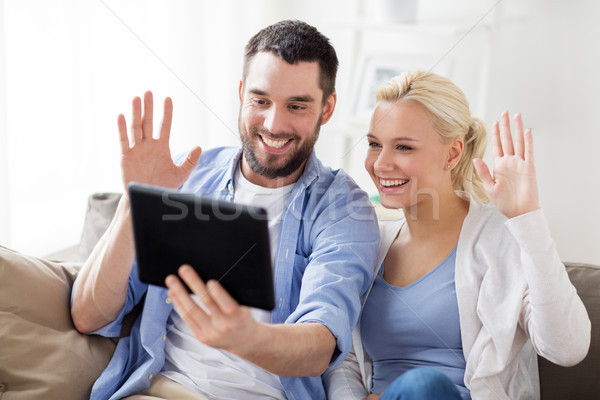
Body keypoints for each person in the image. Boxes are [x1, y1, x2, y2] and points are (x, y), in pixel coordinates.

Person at [70, 20, 380, 400]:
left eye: (296, 106)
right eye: (260, 100)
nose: (273, 124)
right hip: (163, 391)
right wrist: (135, 205)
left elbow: (319, 345)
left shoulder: (344, 209)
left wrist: (247, 337)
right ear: (241, 93)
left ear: (326, 108)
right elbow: (88, 315)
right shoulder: (185, 176)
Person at [323, 70, 591, 400]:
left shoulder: (501, 238)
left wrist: (527, 217)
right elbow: (344, 360)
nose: (381, 163)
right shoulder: (370, 241)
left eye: (403, 147)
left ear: (452, 153)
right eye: (375, 144)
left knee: (424, 388)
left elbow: (567, 349)